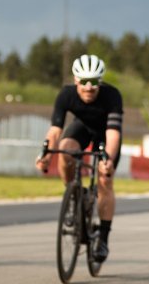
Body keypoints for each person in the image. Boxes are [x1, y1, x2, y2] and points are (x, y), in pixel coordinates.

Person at [35, 54, 123, 263]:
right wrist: (45, 154)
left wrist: (107, 159)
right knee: (65, 150)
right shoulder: (66, 95)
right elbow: (55, 131)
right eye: (84, 82)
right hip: (82, 128)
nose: (89, 87)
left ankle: (102, 237)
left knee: (104, 178)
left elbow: (113, 134)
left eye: (94, 82)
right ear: (76, 80)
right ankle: (73, 195)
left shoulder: (112, 96)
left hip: (105, 133)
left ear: (100, 81)